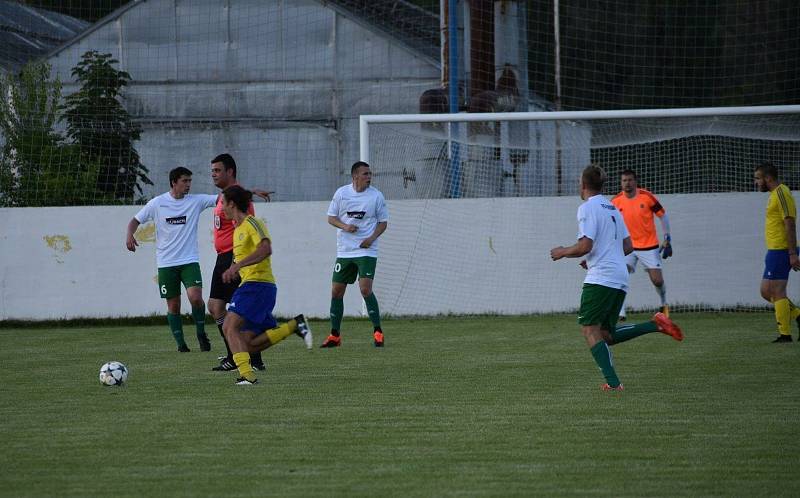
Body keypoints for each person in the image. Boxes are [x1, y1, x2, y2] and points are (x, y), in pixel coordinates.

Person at [550, 164, 684, 391]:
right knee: (606, 334)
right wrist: (598, 256)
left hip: (601, 277)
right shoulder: (611, 206)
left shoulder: (587, 208)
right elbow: (628, 245)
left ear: (582, 184)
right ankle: (655, 325)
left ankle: (614, 384)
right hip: (619, 275)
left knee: (589, 329)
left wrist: (562, 251)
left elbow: (585, 245)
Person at [219, 185, 312, 385]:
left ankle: (247, 376)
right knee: (248, 344)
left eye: (223, 204)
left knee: (229, 326)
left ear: (232, 204)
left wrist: (237, 267)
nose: (221, 208)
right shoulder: (237, 230)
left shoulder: (252, 223)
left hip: (258, 285)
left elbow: (266, 248)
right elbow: (243, 258)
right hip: (253, 286)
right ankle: (294, 326)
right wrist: (233, 269)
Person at [126, 167, 217, 352]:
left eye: (190, 181)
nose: (188, 185)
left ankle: (201, 333)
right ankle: (181, 344)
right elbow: (134, 221)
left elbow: (221, 198)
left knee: (196, 298)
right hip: (166, 263)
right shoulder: (157, 203)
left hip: (189, 260)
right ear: (173, 182)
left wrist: (247, 193)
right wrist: (129, 235)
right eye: (185, 181)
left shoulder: (196, 201)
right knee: (173, 305)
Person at [208, 153, 273, 372]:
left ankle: (241, 357)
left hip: (231, 257)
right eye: (212, 171)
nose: (213, 175)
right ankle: (245, 357)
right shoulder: (225, 196)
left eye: (218, 170)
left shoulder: (239, 204)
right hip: (223, 257)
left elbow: (247, 227)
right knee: (219, 308)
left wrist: (237, 263)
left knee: (227, 309)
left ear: (230, 172)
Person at [320, 161, 389, 348]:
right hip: (345, 251)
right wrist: (345, 226)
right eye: (365, 174)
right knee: (336, 291)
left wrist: (371, 238)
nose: (369, 177)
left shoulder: (376, 196)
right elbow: (331, 218)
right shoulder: (342, 193)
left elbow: (383, 223)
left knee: (365, 289)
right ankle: (335, 335)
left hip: (366, 250)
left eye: (370, 173)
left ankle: (378, 332)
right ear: (355, 176)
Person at [611, 169, 672, 320]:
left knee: (657, 280)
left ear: (635, 181)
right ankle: (621, 311)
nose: (627, 183)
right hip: (627, 247)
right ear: (621, 183)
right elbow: (609, 224)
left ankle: (663, 304)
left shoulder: (647, 197)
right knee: (621, 275)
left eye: (630, 180)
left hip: (649, 246)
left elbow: (663, 216)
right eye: (624, 180)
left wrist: (667, 238)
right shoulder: (615, 201)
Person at [754, 161, 800, 343]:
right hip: (774, 249)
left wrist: (792, 253)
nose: (756, 182)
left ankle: (785, 334)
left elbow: (789, 223)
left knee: (777, 291)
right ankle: (797, 315)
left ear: (768, 178)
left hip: (782, 250)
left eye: (758, 178)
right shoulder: (774, 194)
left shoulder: (782, 193)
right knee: (766, 291)